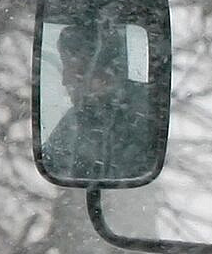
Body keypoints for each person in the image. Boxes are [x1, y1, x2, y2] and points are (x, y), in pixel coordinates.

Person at [40, 22, 156, 182]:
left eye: (72, 68)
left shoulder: (141, 114)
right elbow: (49, 163)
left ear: (100, 71)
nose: (64, 80)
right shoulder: (78, 118)